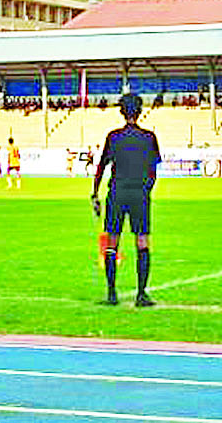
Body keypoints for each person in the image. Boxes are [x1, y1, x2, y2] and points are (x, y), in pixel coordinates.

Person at [91, 93, 161, 307]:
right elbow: (153, 170)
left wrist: (95, 193)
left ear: (121, 112)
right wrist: (146, 189)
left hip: (117, 193)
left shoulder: (113, 137)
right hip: (140, 194)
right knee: (142, 240)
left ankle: (112, 294)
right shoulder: (149, 137)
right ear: (140, 111)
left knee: (112, 241)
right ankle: (141, 294)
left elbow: (101, 167)